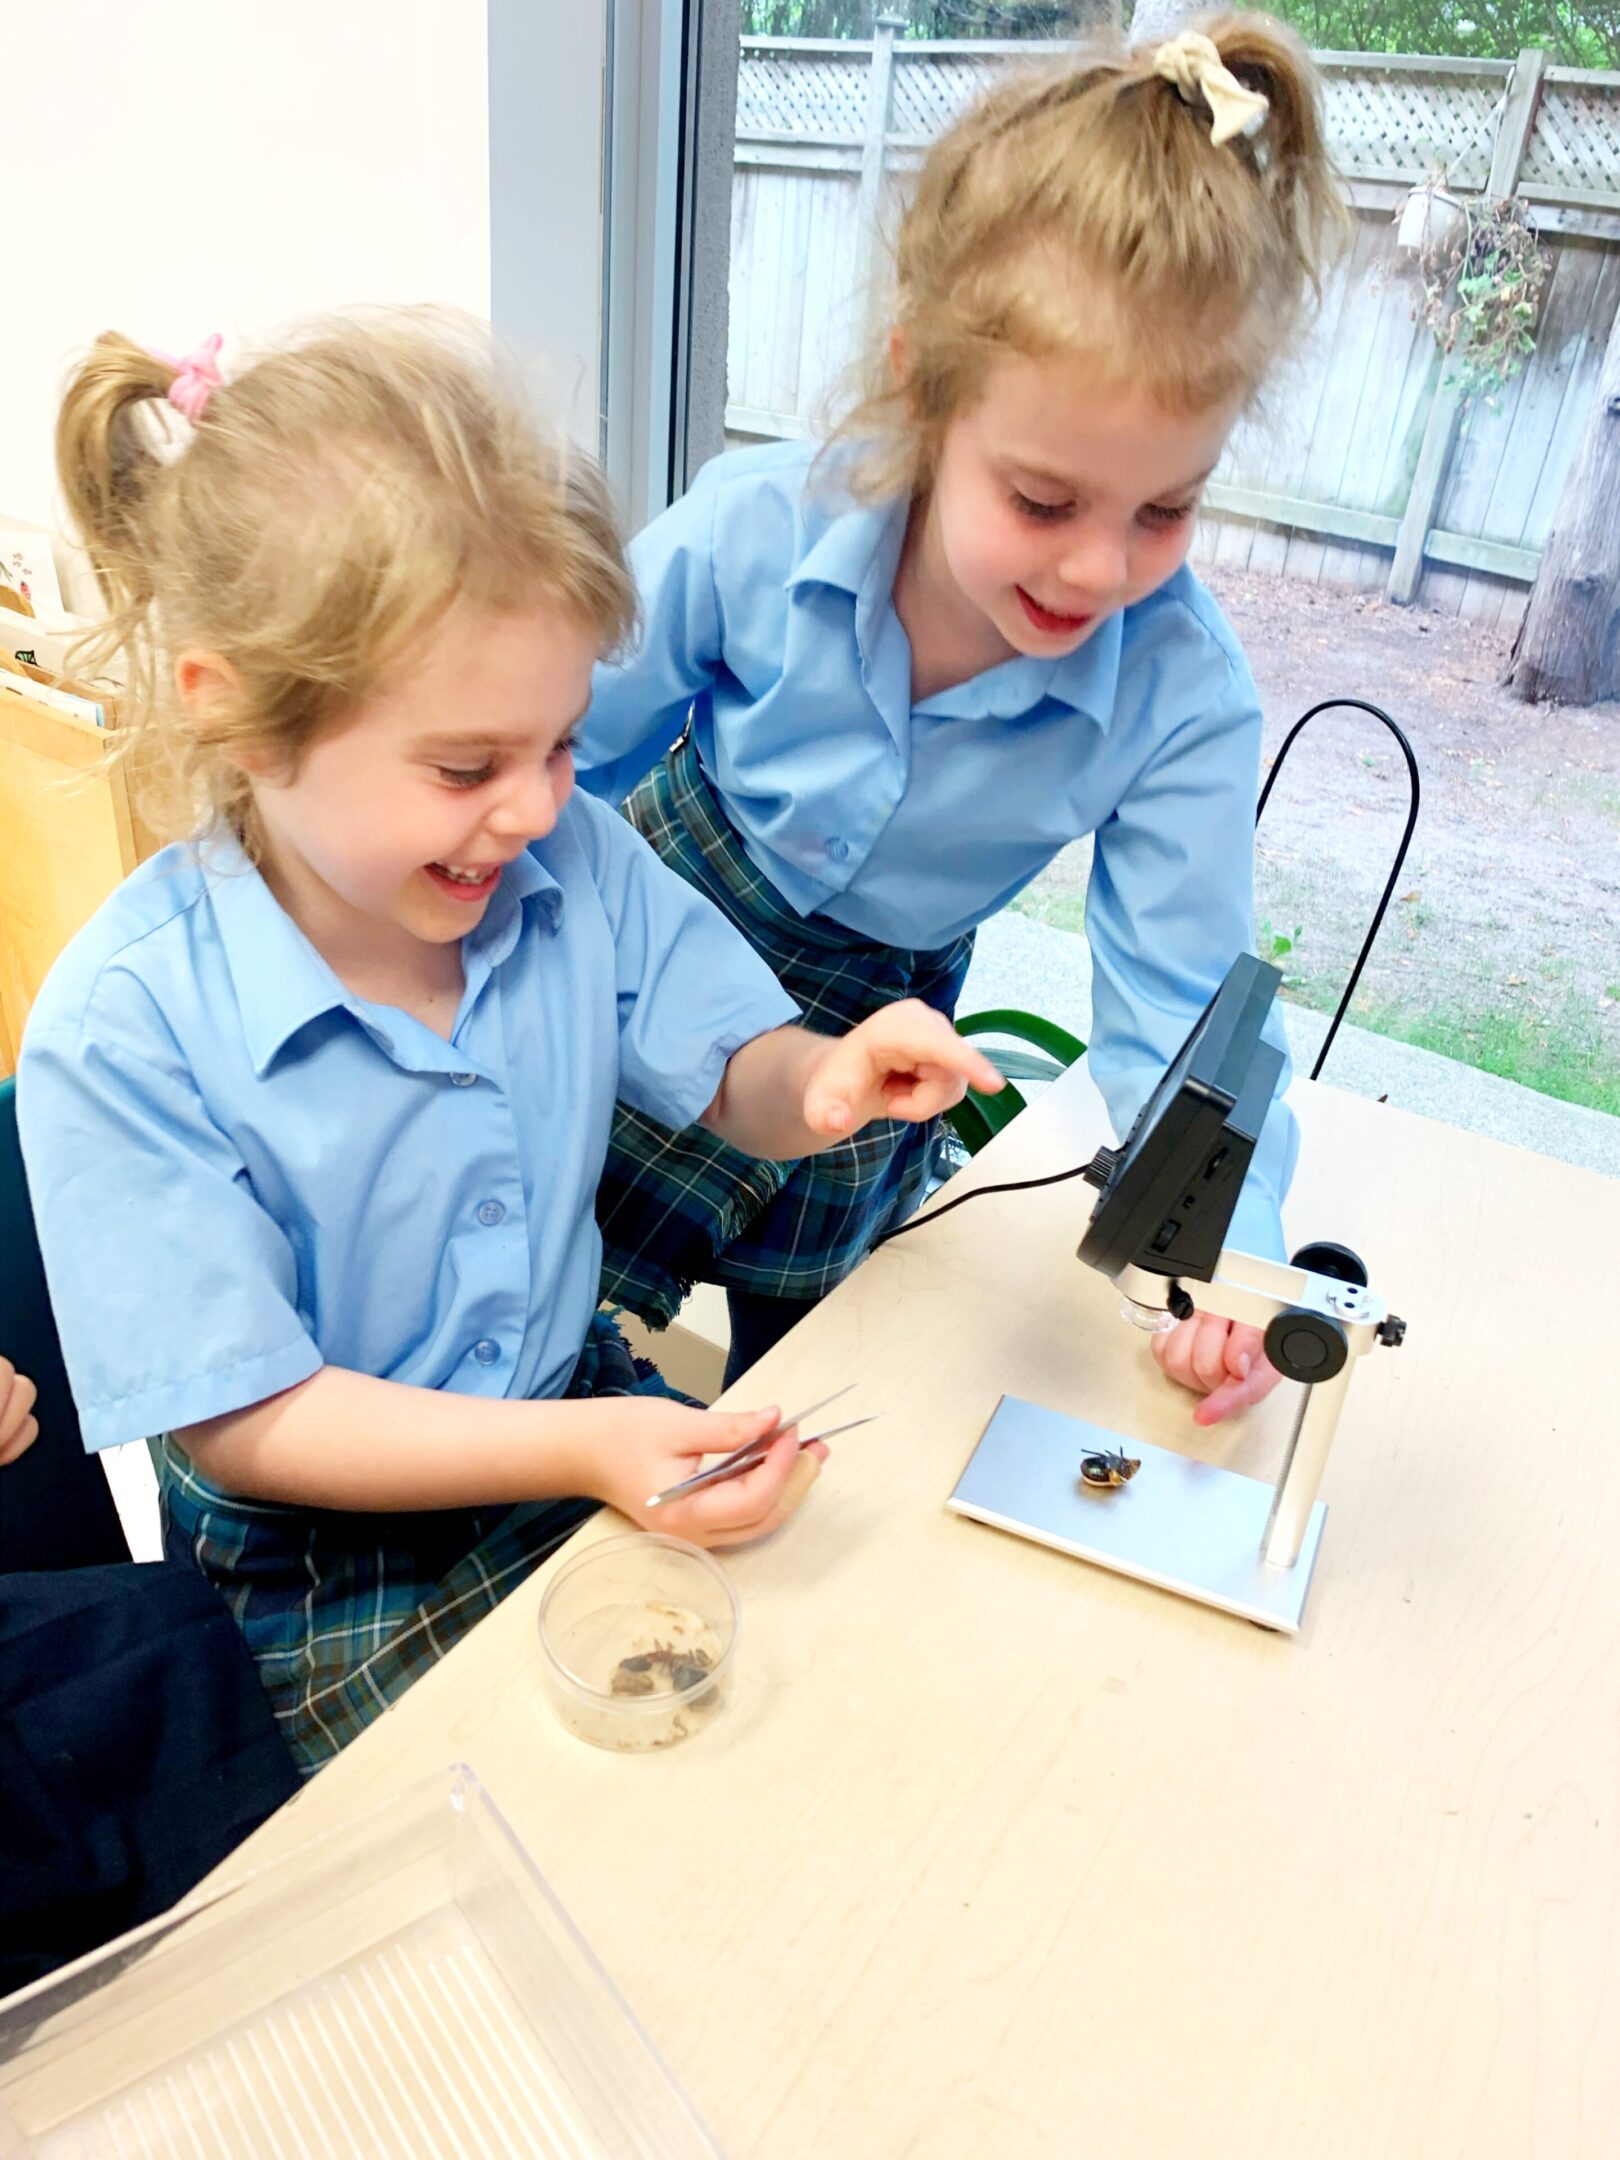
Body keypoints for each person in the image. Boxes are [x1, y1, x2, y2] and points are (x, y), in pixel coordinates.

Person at [18, 314, 999, 1775]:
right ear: (239, 721)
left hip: (569, 1403)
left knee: (807, 1692)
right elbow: (247, 1423)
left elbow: (738, 1070)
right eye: (468, 766)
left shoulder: (574, 868)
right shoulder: (125, 1030)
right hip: (319, 1554)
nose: (539, 808)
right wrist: (591, 1454)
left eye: (557, 743)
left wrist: (826, 1082)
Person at [578, 17, 1346, 1417]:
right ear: (925, 386)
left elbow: (1180, 1014)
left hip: (882, 1032)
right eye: (1044, 501)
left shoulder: (1182, 694)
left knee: (802, 1382)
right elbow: (554, 763)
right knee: (552, 1320)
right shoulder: (756, 531)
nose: (1098, 569)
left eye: (1166, 508)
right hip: (655, 943)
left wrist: (1221, 1262)